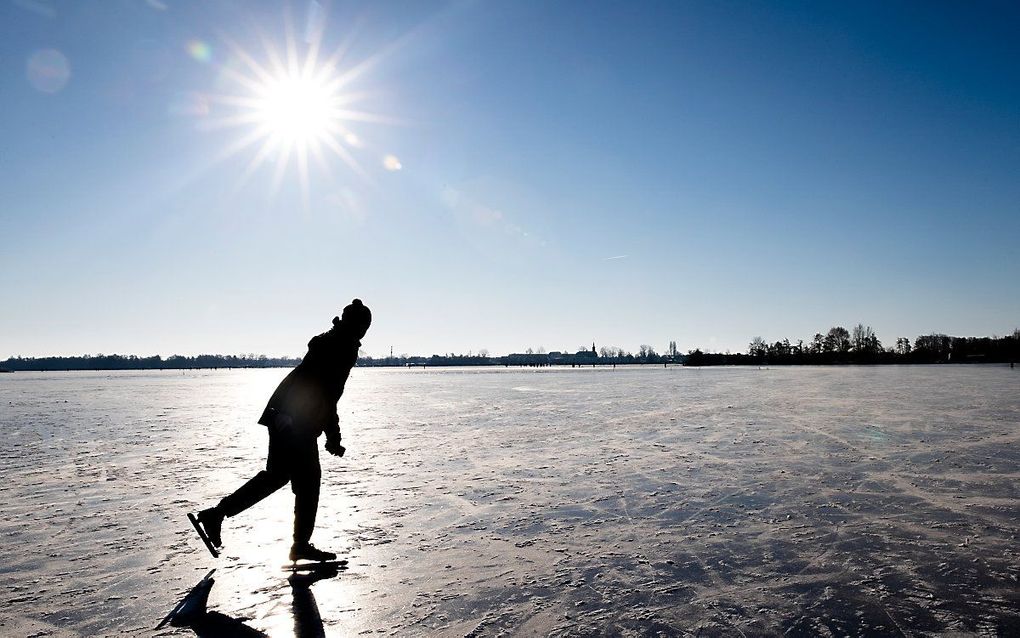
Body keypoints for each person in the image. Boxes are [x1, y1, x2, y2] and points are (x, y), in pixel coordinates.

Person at [191, 299, 371, 561]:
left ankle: (216, 515)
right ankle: (298, 544)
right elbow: (327, 393)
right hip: (294, 419)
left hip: (287, 416)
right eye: (364, 325)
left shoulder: (335, 340)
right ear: (357, 325)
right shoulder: (340, 346)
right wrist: (331, 436)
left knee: (278, 477)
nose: (365, 331)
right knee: (307, 482)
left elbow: (325, 392)